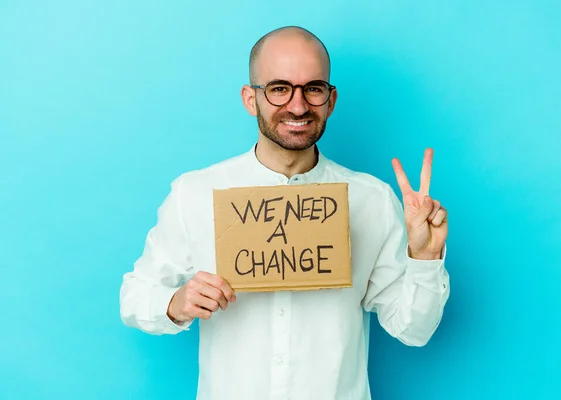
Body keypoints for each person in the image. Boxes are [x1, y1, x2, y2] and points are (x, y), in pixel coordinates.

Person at [120, 25, 450, 400]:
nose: (298, 105)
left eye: (313, 88)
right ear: (250, 98)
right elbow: (134, 296)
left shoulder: (371, 200)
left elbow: (414, 330)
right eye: (279, 88)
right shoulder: (194, 194)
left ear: (331, 99)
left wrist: (425, 258)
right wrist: (175, 304)